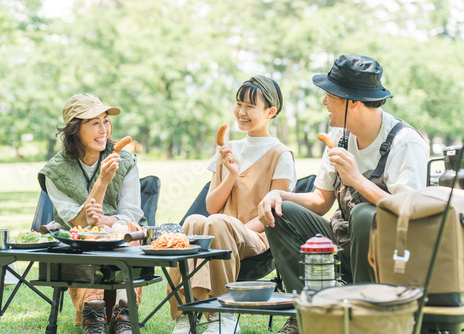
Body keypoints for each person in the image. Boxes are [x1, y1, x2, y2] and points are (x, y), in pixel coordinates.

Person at [258, 54, 429, 334]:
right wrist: (278, 196)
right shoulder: (340, 136)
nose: (324, 101)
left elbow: (410, 213)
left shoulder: (404, 143)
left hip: (392, 258)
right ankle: (309, 313)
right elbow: (320, 201)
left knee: (364, 213)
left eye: (330, 95)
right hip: (343, 242)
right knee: (281, 212)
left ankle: (364, 315)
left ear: (354, 102)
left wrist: (358, 180)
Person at [169, 75, 297, 334]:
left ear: (270, 111)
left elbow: (273, 212)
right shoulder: (227, 149)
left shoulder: (281, 154)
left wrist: (233, 228)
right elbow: (212, 206)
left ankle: (224, 317)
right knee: (193, 222)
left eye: (250, 106)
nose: (241, 112)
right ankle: (186, 315)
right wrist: (231, 175)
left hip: (258, 237)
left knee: (217, 223)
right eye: (239, 104)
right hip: (219, 228)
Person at [38, 93, 146, 334]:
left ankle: (125, 311)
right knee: (85, 234)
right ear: (74, 129)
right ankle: (92, 313)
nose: (104, 129)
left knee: (123, 229)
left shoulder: (126, 160)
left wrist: (106, 221)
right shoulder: (54, 171)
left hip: (122, 240)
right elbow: (75, 221)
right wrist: (102, 182)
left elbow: (131, 214)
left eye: (105, 121)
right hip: (80, 245)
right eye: (94, 123)